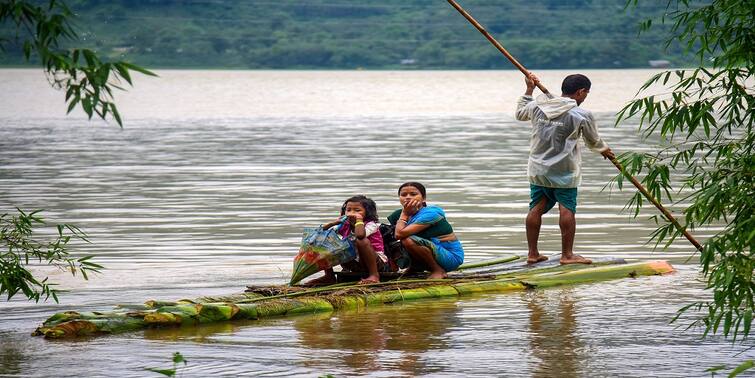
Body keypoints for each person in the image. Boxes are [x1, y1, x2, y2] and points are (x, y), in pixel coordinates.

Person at [515, 73, 615, 265]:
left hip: (538, 169)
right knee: (567, 209)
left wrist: (529, 90)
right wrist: (604, 150)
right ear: (580, 92)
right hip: (564, 171)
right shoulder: (581, 115)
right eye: (586, 93)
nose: (585, 96)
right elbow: (593, 141)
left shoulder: (537, 105)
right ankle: (567, 255)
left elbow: (520, 114)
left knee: (535, 208)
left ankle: (532, 253)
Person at [305, 195, 393, 286]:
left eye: (357, 210)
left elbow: (360, 235)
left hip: (376, 264)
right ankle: (329, 276)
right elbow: (317, 233)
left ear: (367, 213)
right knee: (321, 240)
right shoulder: (343, 225)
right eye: (349, 210)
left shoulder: (371, 225)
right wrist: (333, 223)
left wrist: (359, 220)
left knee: (361, 241)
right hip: (355, 262)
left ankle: (374, 275)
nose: (352, 213)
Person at [387, 182, 464, 279]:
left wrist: (404, 215)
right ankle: (415, 267)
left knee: (407, 240)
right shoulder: (397, 214)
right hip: (427, 253)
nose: (408, 197)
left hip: (450, 257)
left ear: (423, 198)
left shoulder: (431, 214)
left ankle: (438, 270)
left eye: (413, 194)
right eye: (403, 195)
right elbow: (393, 237)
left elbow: (399, 234)